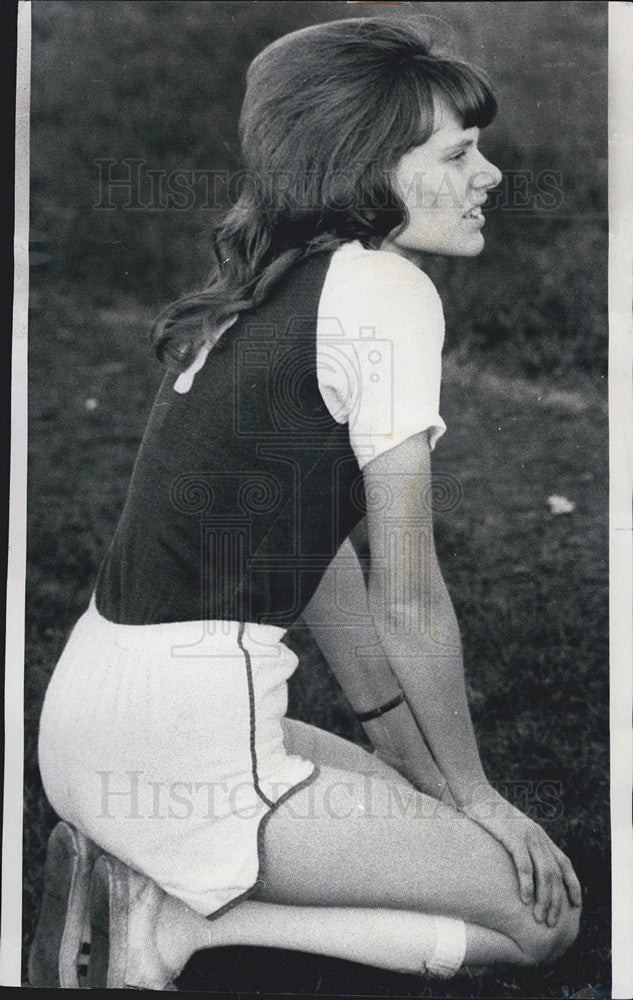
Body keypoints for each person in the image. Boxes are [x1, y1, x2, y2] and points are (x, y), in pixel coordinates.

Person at [30, 16, 582, 991]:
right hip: (190, 742)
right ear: (367, 167)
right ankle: (167, 932)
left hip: (87, 724)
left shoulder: (258, 287)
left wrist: (399, 741)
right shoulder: (386, 289)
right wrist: (483, 795)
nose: (490, 174)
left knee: (440, 824)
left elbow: (315, 556)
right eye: (458, 152)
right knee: (540, 920)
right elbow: (411, 597)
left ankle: (136, 867)